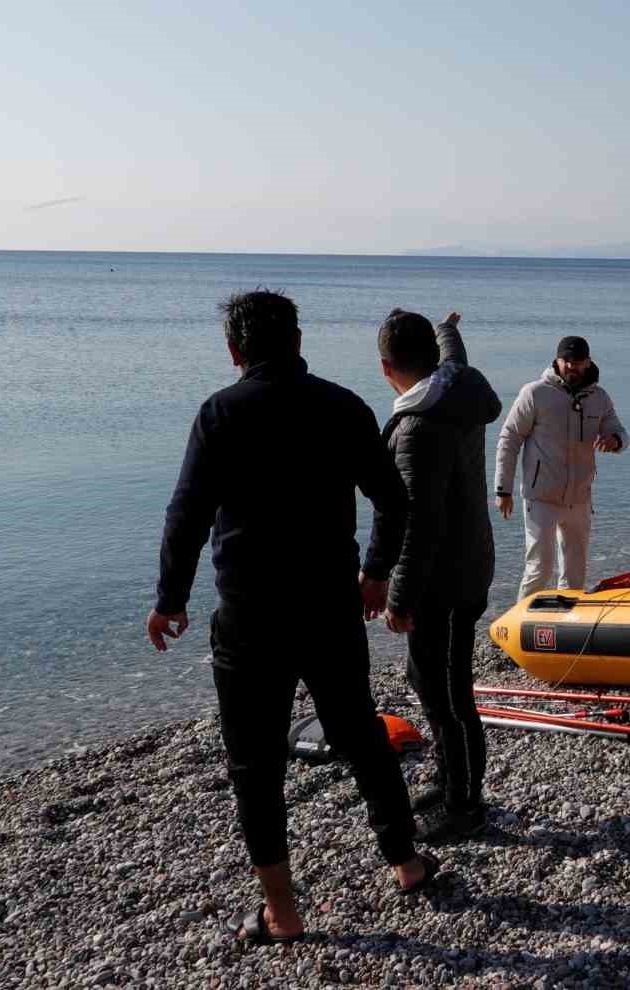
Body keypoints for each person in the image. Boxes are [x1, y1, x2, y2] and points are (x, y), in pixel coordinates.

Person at [145, 289, 436, 945]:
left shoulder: (220, 414)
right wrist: (376, 572)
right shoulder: (343, 407)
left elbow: (186, 515)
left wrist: (170, 600)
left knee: (255, 765)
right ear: (299, 342)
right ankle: (407, 863)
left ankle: (283, 912)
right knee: (360, 735)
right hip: (330, 603)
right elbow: (394, 501)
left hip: (250, 614)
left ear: (234, 351)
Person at [364, 309, 502, 843]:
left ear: (384, 367)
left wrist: (397, 597)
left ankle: (466, 806)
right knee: (429, 683)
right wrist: (448, 327)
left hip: (443, 581)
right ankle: (450, 781)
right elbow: (455, 358)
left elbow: (417, 521)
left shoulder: (418, 426)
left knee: (447, 696)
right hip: (467, 564)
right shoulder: (454, 390)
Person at [494, 335, 629, 598]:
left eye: (578, 363)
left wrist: (614, 441)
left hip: (580, 498)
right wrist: (503, 489)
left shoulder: (599, 398)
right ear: (557, 361)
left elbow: (619, 432)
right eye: (567, 361)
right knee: (540, 569)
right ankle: (523, 625)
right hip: (541, 496)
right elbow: (509, 438)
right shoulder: (535, 393)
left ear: (588, 363)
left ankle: (566, 627)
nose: (571, 367)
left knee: (575, 573)